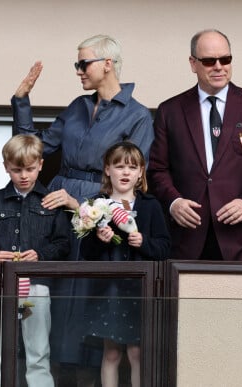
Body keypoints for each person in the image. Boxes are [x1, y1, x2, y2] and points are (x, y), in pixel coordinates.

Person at [11, 34, 154, 383]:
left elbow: (130, 180)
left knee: (85, 307)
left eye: (83, 63)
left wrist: (81, 203)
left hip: (95, 221)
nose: (78, 70)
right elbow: (34, 150)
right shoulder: (77, 106)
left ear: (107, 63)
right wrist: (21, 101)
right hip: (55, 215)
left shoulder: (138, 116)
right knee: (47, 302)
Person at [148, 29, 242, 261]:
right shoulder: (170, 111)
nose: (219, 66)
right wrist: (174, 202)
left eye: (225, 59)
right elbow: (157, 169)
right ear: (193, 64)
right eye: (209, 61)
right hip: (188, 240)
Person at [0, 134, 71, 387]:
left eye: (29, 169)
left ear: (40, 164)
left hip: (35, 289)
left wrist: (41, 255)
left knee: (37, 349)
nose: (24, 175)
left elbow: (64, 244)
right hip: (2, 287)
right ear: (6, 167)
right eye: (17, 170)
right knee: (1, 346)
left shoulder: (52, 202)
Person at [79, 141, 170, 387]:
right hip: (108, 290)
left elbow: (164, 247)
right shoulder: (95, 205)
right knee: (111, 352)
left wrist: (144, 242)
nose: (125, 172)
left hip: (140, 291)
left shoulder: (150, 205)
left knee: (136, 353)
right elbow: (84, 252)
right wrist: (100, 239)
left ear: (141, 172)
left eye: (132, 167)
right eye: (119, 166)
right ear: (107, 170)